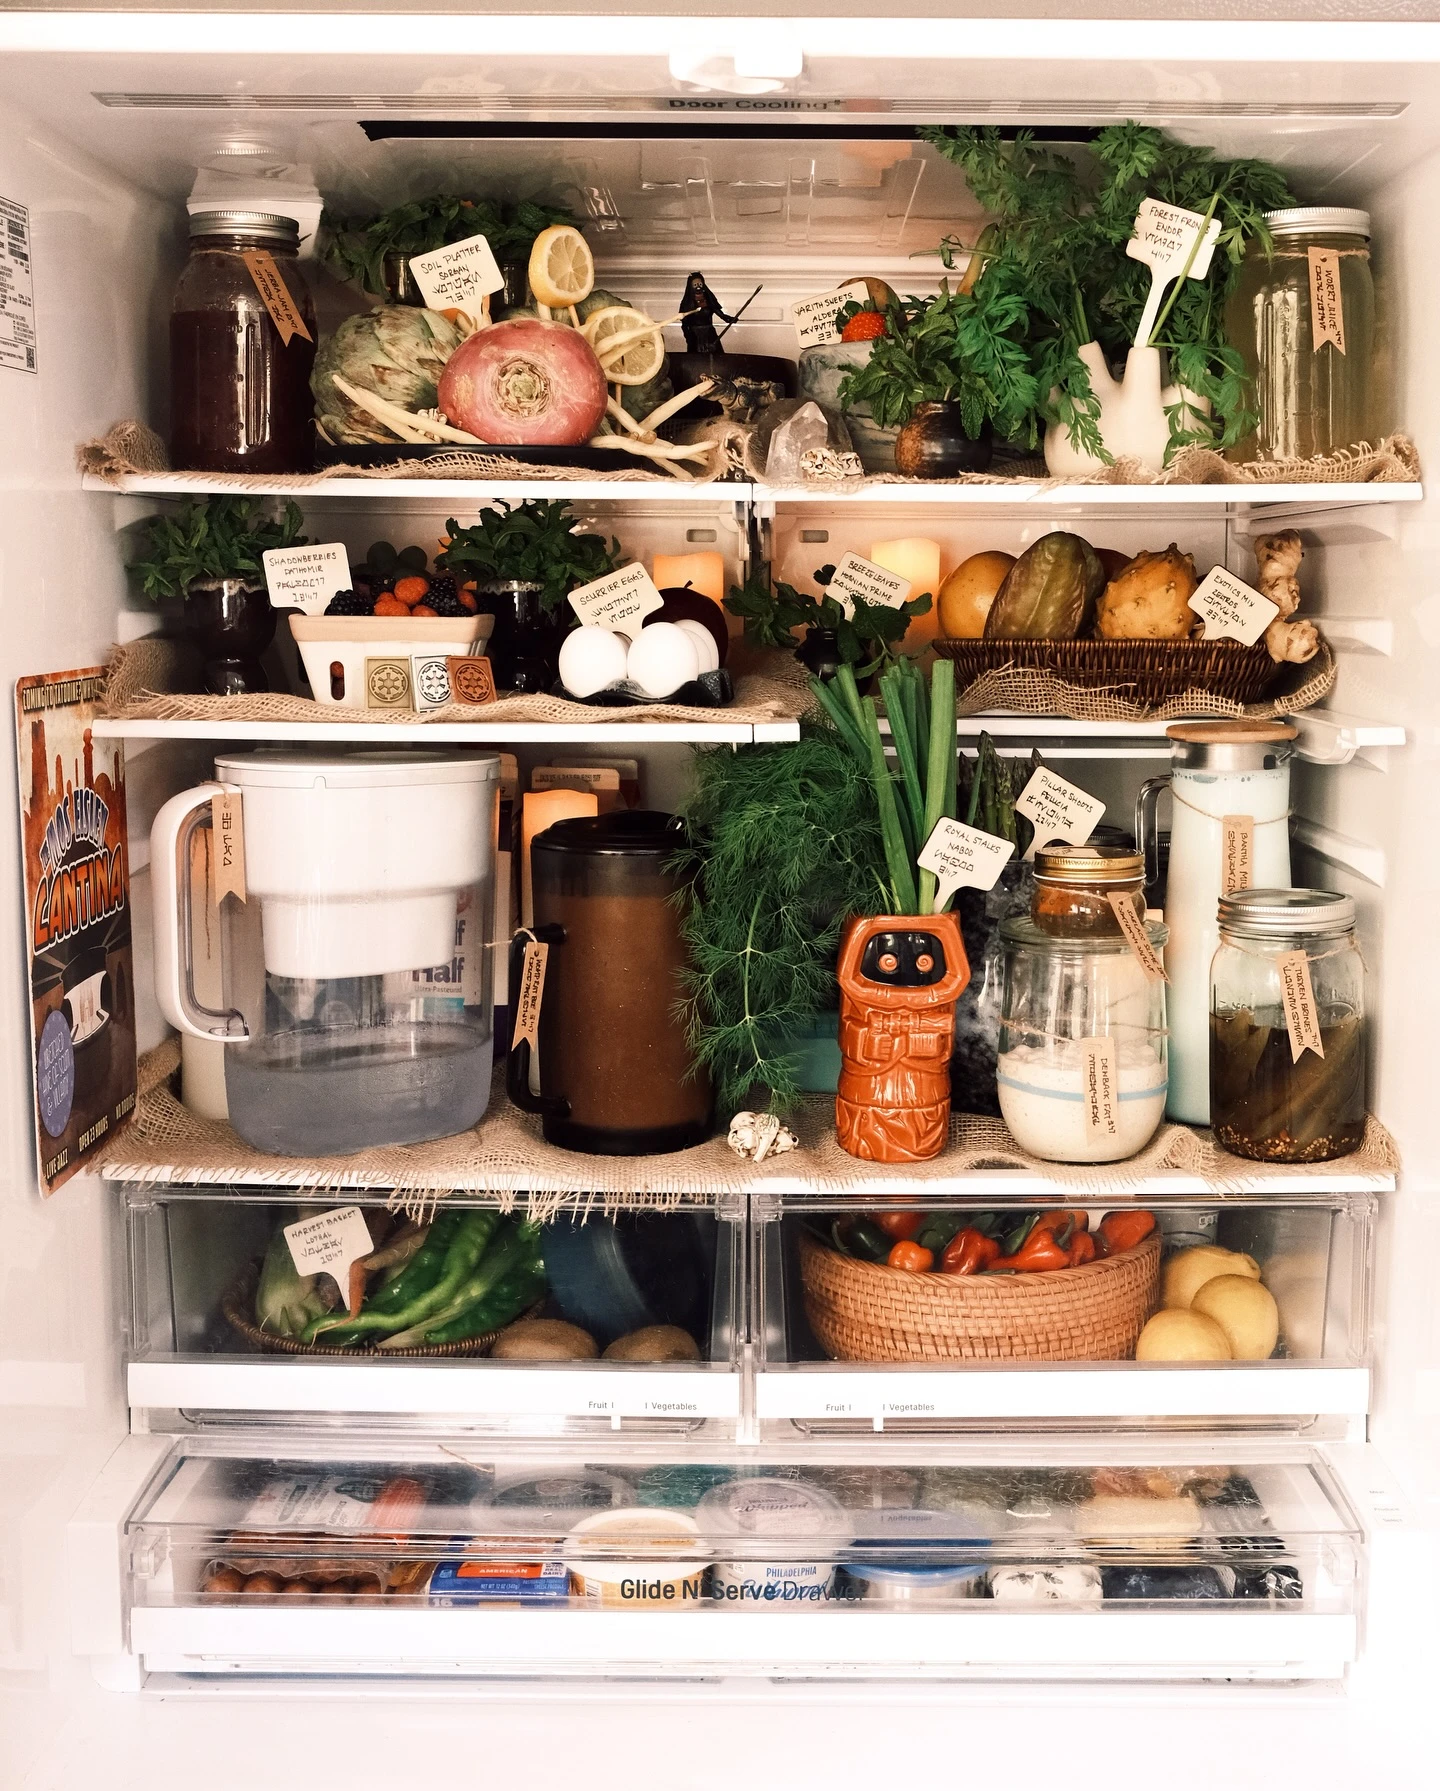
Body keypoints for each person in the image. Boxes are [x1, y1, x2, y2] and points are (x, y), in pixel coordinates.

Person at [679, 272, 737, 356]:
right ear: (690, 286)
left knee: (716, 356)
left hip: (709, 333)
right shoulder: (687, 302)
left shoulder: (709, 299)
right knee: (696, 357)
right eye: (695, 285)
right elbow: (684, 322)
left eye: (700, 284)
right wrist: (688, 336)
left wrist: (728, 318)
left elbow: (718, 311)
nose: (698, 287)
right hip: (695, 335)